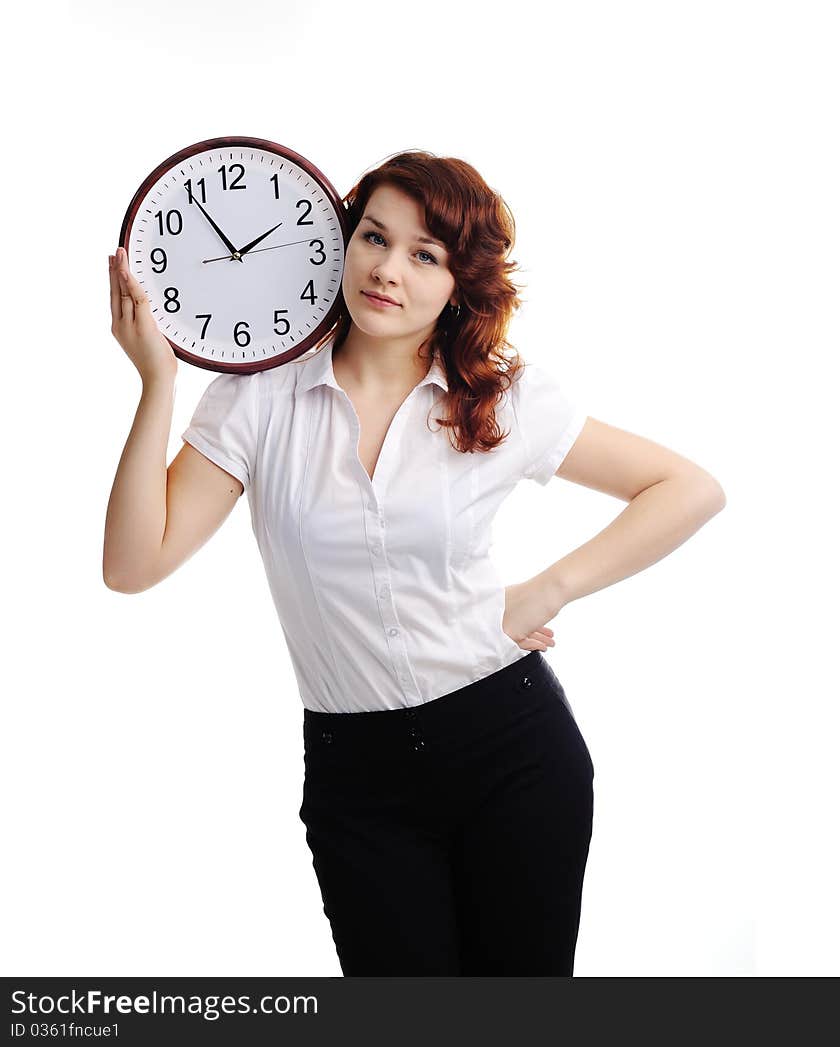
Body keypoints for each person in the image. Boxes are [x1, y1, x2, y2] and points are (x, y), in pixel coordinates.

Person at [103, 150, 726, 976]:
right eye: (373, 237)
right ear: (340, 242)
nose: (387, 269)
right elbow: (133, 562)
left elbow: (686, 487)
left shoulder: (500, 398)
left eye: (424, 254)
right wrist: (158, 383)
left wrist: (548, 588)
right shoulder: (259, 397)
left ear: (459, 283)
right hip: (359, 782)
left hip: (513, 749)